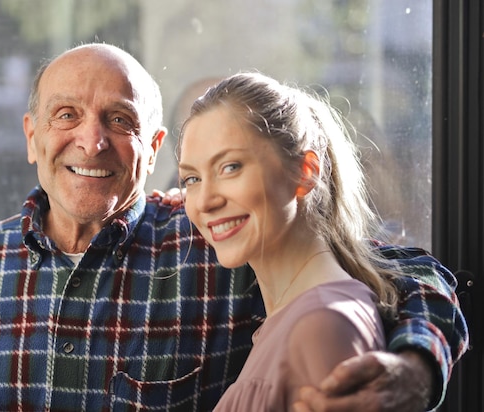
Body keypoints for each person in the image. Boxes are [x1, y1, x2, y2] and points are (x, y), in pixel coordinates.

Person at [0, 43, 467, 411]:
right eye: (67, 115)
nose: (92, 141)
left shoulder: (216, 242)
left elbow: (403, 274)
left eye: (120, 120)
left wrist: (416, 367)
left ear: (154, 146)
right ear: (32, 135)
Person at [177, 72, 431, 410]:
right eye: (191, 178)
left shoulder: (322, 324)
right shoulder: (294, 318)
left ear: (305, 171)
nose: (205, 200)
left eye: (230, 167)